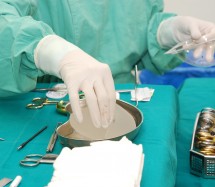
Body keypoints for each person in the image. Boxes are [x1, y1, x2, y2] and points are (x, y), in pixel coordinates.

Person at [0, 0, 215, 128]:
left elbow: (135, 23)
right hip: (40, 105)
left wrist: (165, 31)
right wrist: (50, 51)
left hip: (121, 100)